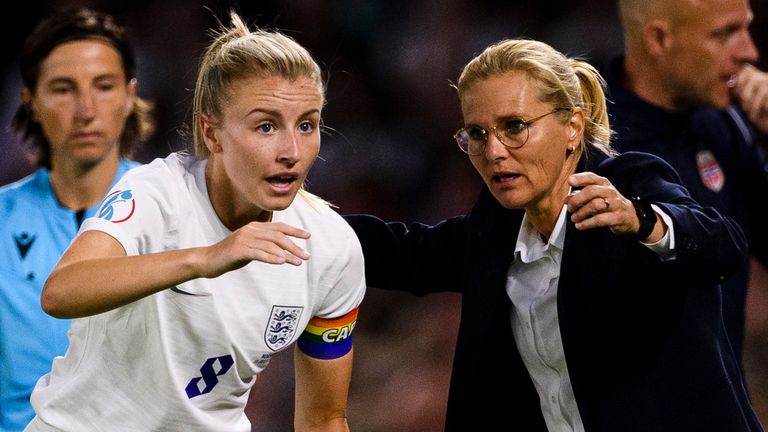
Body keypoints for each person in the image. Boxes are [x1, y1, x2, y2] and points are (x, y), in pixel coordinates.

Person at [345, 38, 763, 431]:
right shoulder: (496, 228)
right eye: (477, 134)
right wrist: (296, 218)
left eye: (514, 126)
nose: (493, 152)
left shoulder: (627, 182)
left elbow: (721, 244)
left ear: (572, 127)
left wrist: (641, 221)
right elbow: (407, 253)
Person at [24, 12, 365, 432]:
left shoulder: (332, 248)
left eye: (307, 125)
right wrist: (205, 258)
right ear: (212, 133)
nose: (292, 150)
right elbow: (62, 290)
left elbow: (324, 420)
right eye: (265, 126)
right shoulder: (157, 193)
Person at [0, 8, 155, 431]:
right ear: (30, 101)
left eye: (104, 87)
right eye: (64, 89)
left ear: (130, 95)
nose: (86, 110)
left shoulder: (174, 211)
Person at [606, 0, 768, 362]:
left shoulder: (724, 123)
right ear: (660, 39)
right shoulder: (590, 144)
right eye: (726, 33)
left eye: (747, 26)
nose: (750, 51)